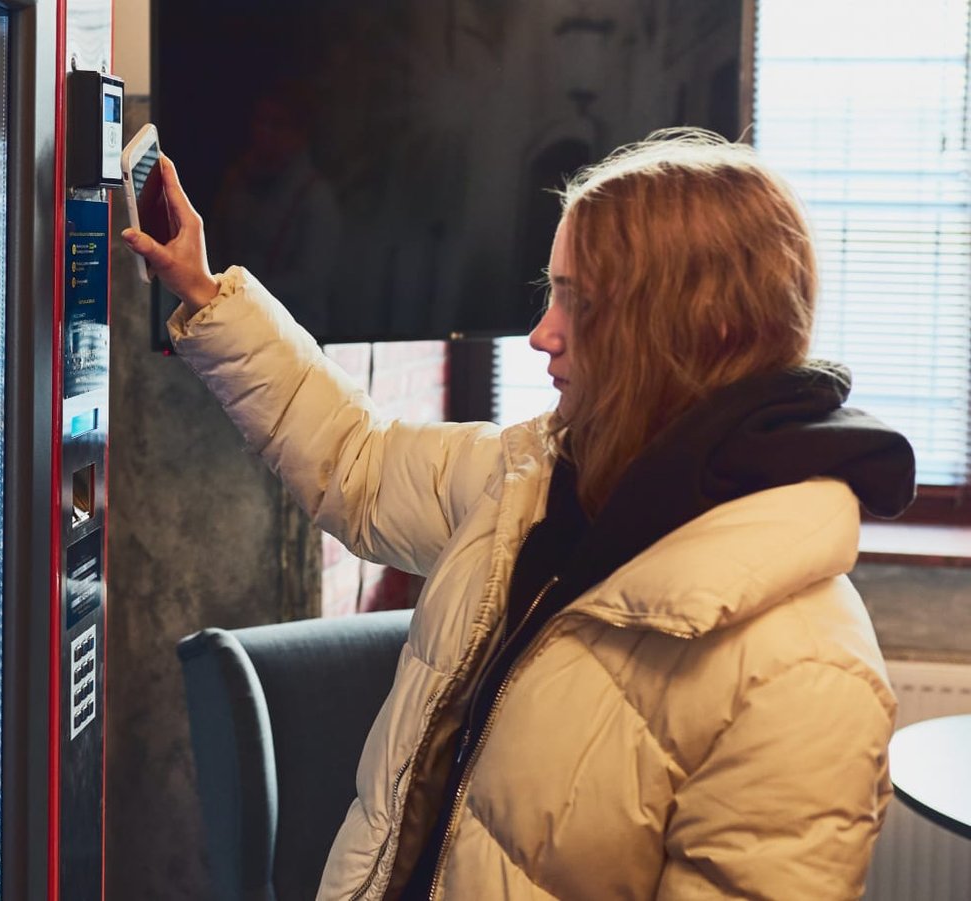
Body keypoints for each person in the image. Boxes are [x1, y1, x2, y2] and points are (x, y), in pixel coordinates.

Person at [121, 128, 916, 900]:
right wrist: (204, 290)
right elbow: (355, 461)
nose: (542, 333)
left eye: (581, 302)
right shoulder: (537, 474)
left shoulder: (807, 672)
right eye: (551, 293)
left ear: (701, 329)